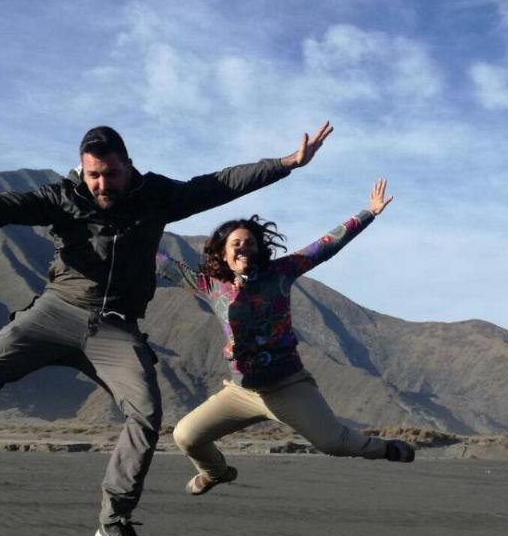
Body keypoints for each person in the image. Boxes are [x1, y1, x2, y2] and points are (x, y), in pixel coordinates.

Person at [0, 122, 333, 536]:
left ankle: (114, 520)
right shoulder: (62, 197)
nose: (101, 183)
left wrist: (287, 162)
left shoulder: (156, 196)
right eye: (92, 174)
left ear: (128, 167)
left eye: (110, 174)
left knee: (147, 412)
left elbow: (218, 185)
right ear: (81, 170)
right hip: (57, 310)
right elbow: (1, 206)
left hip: (116, 326)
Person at [155, 178, 414, 495]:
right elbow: (163, 264)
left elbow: (323, 247)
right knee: (185, 436)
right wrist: (120, 235)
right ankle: (216, 473)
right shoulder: (211, 287)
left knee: (333, 442)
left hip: (288, 385)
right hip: (241, 392)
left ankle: (383, 448)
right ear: (222, 254)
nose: (243, 247)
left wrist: (367, 214)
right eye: (235, 243)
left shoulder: (281, 273)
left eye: (249, 242)